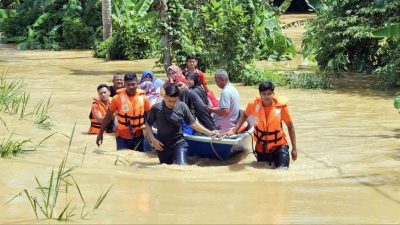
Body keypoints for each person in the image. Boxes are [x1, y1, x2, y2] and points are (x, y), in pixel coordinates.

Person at [226, 81, 297, 169]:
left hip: (279, 146)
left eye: (269, 94)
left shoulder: (282, 108)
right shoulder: (253, 105)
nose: (267, 96)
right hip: (261, 148)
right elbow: (244, 115)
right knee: (263, 173)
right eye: (264, 94)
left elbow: (290, 126)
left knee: (282, 171)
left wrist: (294, 148)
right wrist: (234, 130)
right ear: (260, 94)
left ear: (273, 93)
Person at [145, 85, 219, 165]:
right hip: (162, 145)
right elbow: (148, 124)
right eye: (169, 101)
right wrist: (152, 139)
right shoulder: (156, 108)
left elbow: (193, 123)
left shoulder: (182, 106)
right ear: (165, 96)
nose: (172, 104)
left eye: (175, 101)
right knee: (165, 166)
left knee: (182, 167)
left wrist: (209, 133)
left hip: (178, 142)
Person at [96, 73, 151, 151]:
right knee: (122, 159)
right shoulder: (116, 98)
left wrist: (151, 134)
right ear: (124, 84)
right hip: (122, 137)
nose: (131, 87)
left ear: (137, 82)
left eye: (133, 84)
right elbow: (108, 117)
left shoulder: (143, 98)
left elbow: (150, 116)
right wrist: (100, 133)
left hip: (139, 136)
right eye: (128, 85)